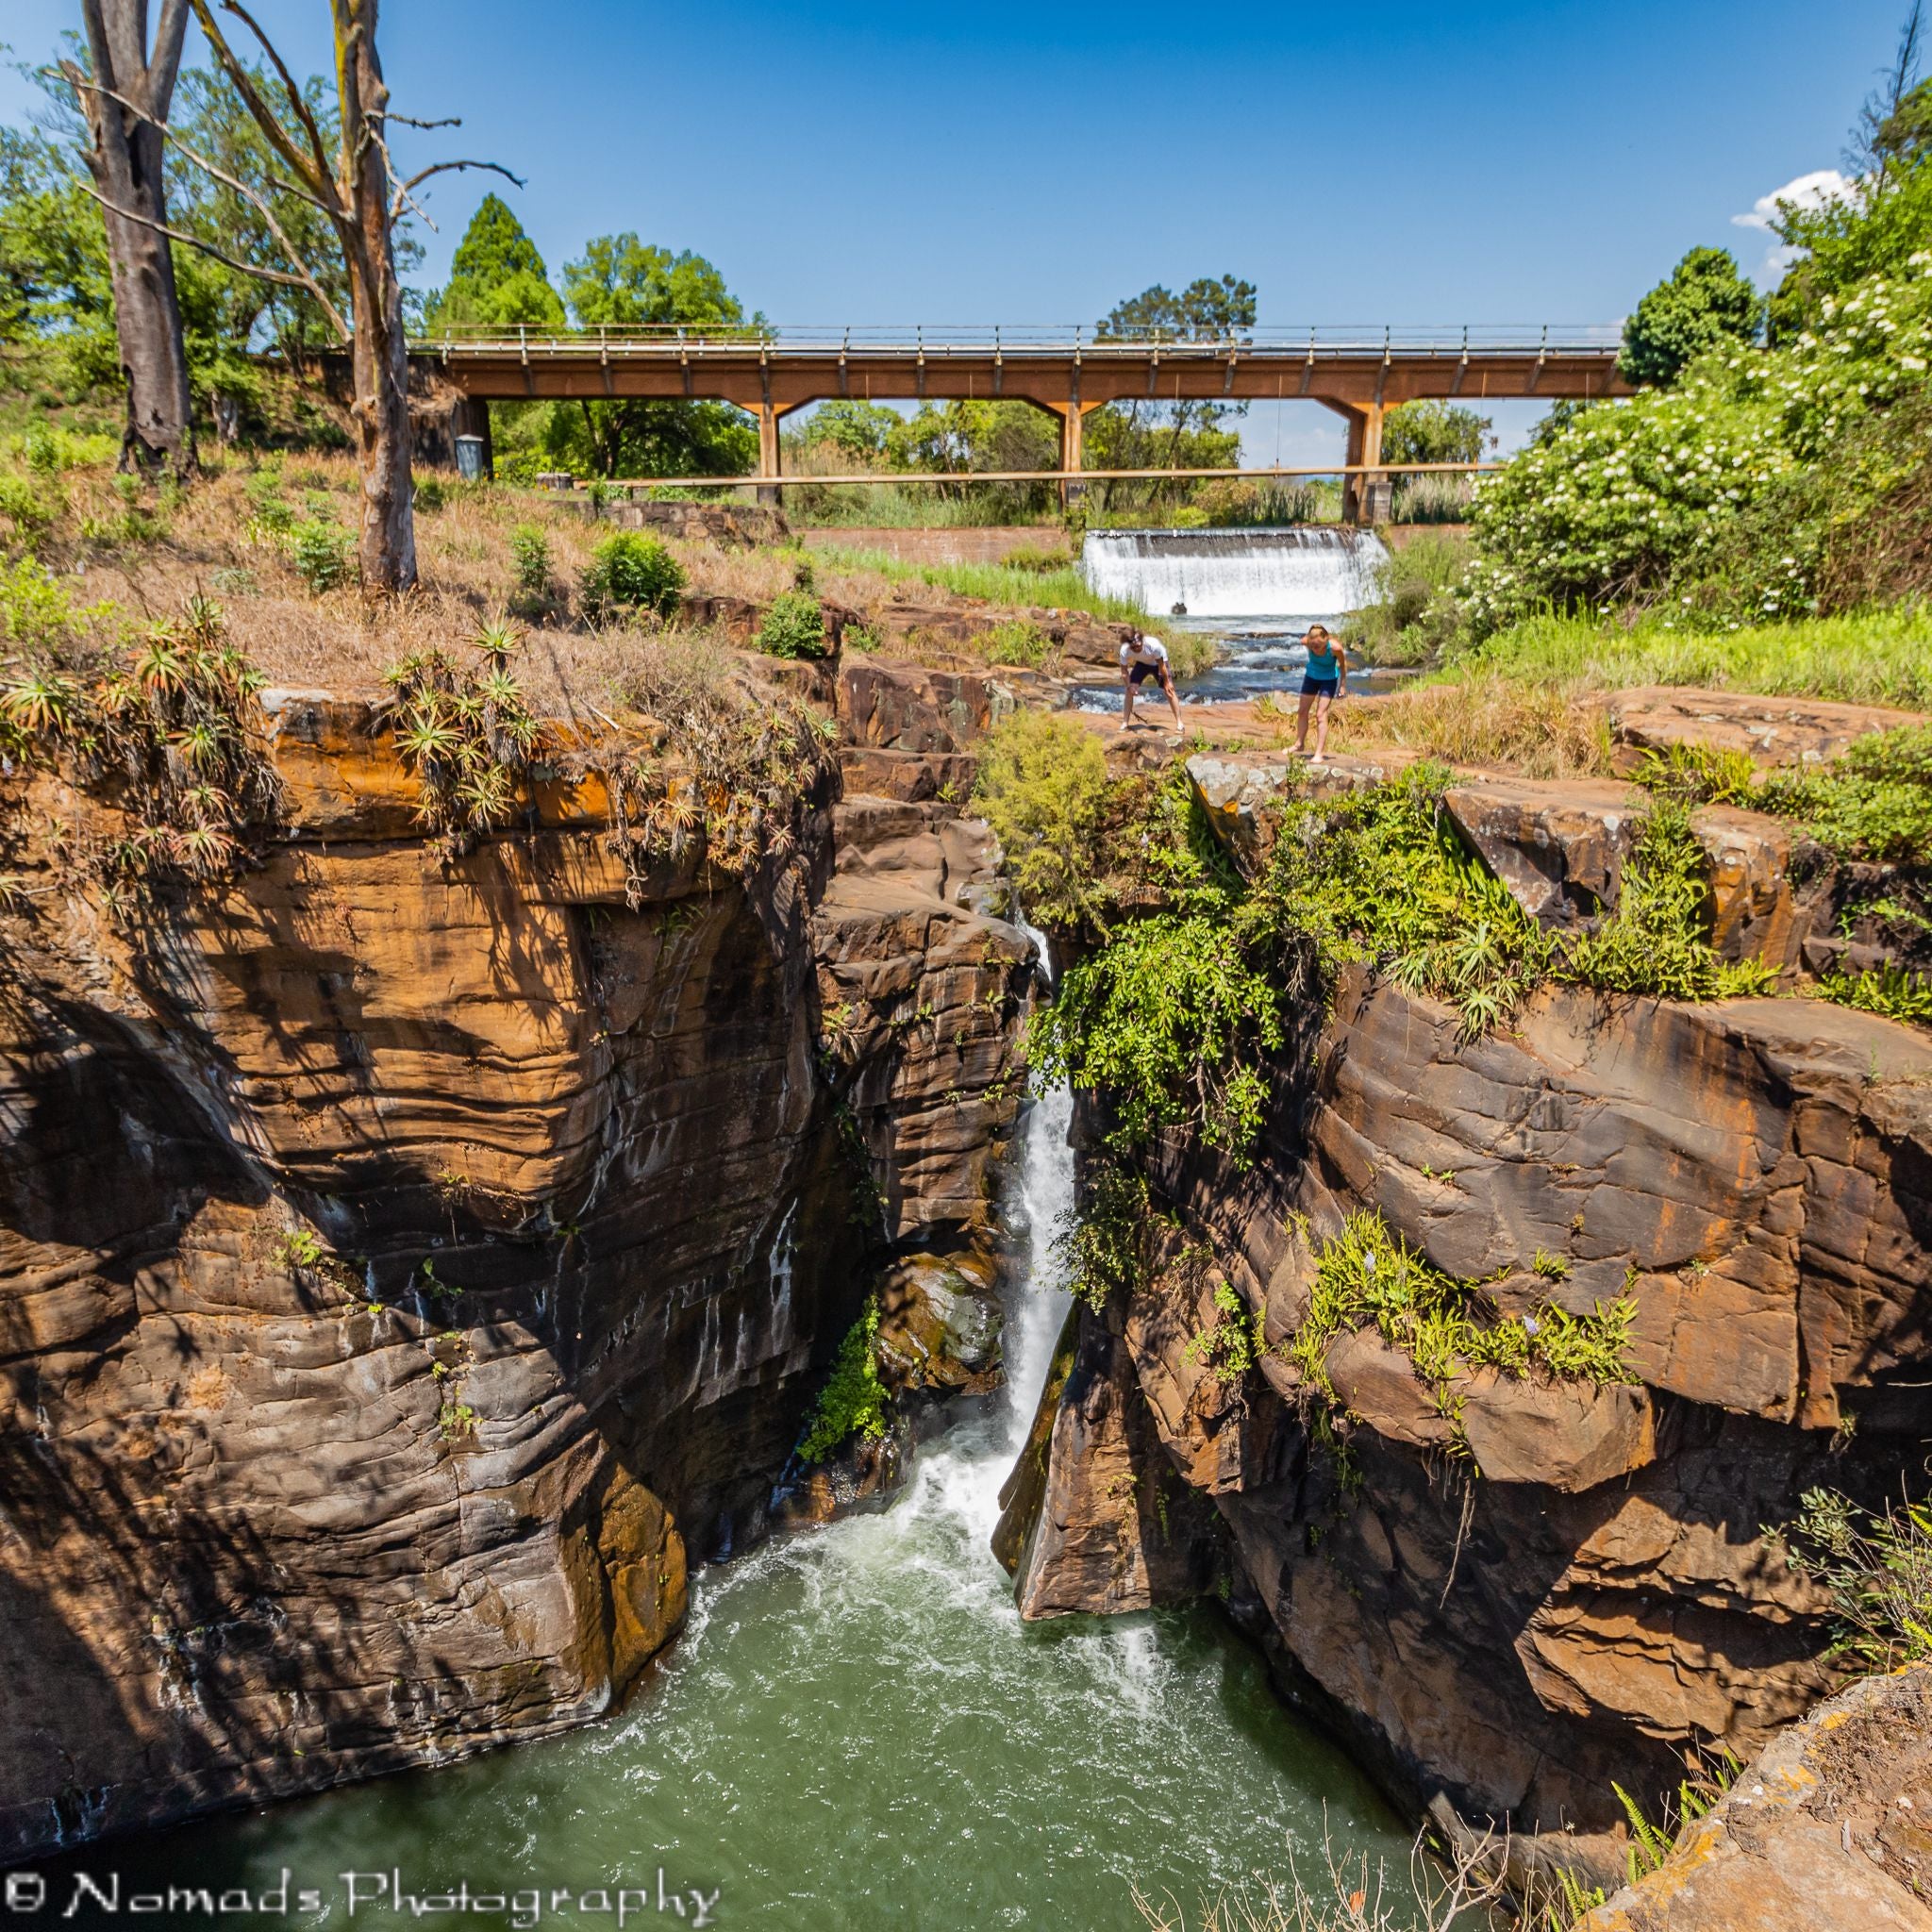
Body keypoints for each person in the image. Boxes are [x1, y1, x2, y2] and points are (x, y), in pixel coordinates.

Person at [1292, 623, 1347, 762]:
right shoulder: (1306, 641)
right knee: (1302, 711)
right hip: (1311, 677)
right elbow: (1306, 638)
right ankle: (1299, 744)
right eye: (1312, 646)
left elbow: (1343, 665)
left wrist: (1342, 686)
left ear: (1326, 640)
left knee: (1320, 714)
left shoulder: (1335, 648)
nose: (1315, 649)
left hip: (1328, 680)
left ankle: (1319, 753)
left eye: (1318, 646)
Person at [1119, 630, 1183, 732]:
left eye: (1138, 646)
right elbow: (1124, 671)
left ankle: (1180, 724)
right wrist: (1129, 686)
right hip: (1142, 664)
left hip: (1158, 664)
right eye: (1133, 647)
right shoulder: (1124, 649)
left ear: (1142, 642)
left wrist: (1167, 682)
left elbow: (1162, 666)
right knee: (1129, 690)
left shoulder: (1154, 646)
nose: (1136, 649)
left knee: (1169, 690)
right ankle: (1125, 723)